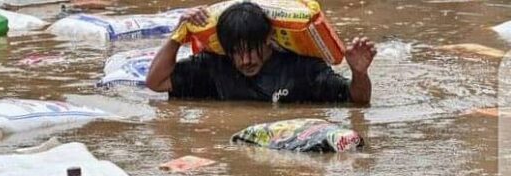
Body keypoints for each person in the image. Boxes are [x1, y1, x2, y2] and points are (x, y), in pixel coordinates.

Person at [145, 2, 377, 104]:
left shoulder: (301, 69)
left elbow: (357, 101)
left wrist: (359, 73)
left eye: (252, 51)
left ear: (268, 40)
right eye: (237, 53)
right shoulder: (213, 66)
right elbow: (156, 82)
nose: (246, 60)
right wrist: (178, 35)